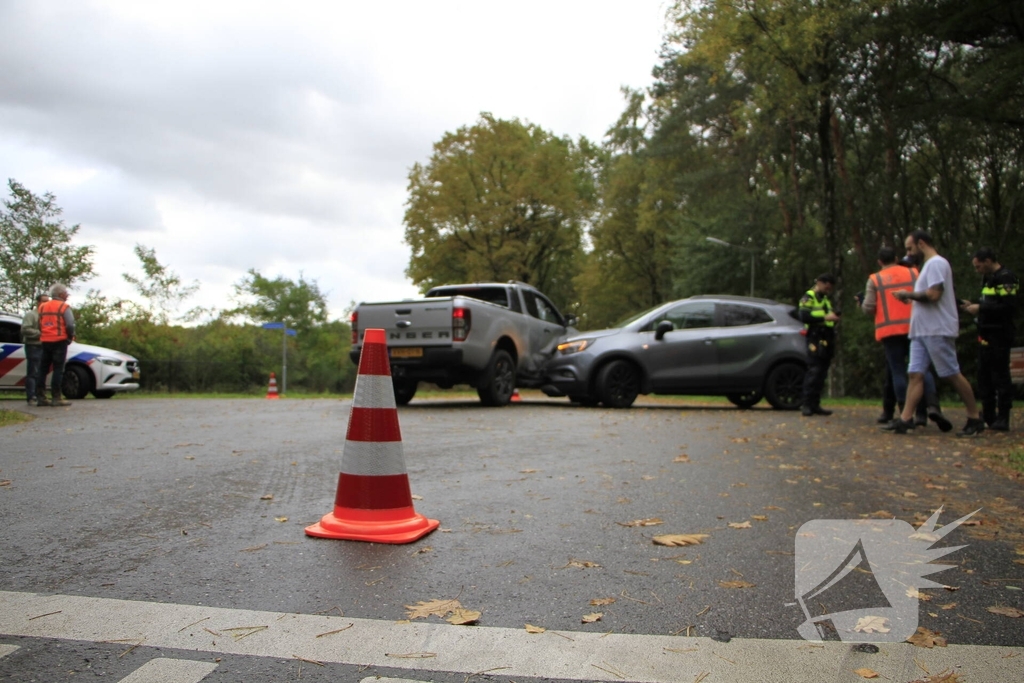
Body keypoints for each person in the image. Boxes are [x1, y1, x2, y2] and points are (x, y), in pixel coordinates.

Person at [890, 231, 984, 436]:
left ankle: (974, 417)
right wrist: (912, 297)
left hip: (936, 329)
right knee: (915, 373)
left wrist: (908, 294)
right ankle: (905, 419)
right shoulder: (927, 267)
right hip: (921, 331)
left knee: (951, 373)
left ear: (921, 244)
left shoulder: (936, 264)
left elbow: (934, 294)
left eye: (909, 248)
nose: (908, 253)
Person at [860, 247, 951, 431]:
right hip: (915, 327)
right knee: (922, 369)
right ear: (896, 258)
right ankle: (931, 408)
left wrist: (862, 304)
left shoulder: (875, 279)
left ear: (879, 262)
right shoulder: (913, 272)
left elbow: (868, 307)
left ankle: (904, 414)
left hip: (890, 331)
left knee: (899, 372)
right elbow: (926, 294)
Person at [960, 247, 1018, 431]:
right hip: (985, 333)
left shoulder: (1006, 277)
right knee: (984, 376)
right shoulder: (988, 278)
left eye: (978, 266)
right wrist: (973, 305)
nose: (977, 270)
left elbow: (1008, 307)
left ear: (987, 261)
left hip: (1000, 333)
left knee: (1000, 375)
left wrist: (981, 308)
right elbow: (989, 301)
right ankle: (989, 414)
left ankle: (1003, 416)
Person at [799, 273, 840, 417]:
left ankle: (815, 404)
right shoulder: (809, 296)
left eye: (830, 288)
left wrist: (833, 318)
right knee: (814, 370)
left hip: (826, 336)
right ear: (819, 283)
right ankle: (806, 404)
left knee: (822, 371)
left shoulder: (825, 299)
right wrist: (825, 317)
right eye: (826, 286)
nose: (828, 289)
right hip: (815, 336)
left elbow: (827, 318)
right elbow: (804, 316)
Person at [36, 283, 76, 407]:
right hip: (59, 341)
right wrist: (70, 336)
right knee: (58, 369)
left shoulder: (42, 307)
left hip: (45, 340)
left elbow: (39, 323)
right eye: (65, 293)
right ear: (61, 294)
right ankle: (56, 397)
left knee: (42, 369)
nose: (67, 295)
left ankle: (41, 397)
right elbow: (70, 324)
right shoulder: (64, 307)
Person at [20, 293, 50, 405]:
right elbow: (25, 329)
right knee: (33, 372)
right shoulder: (31, 315)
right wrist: (41, 333)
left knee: (42, 372)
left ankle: (41, 396)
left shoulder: (48, 316)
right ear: (38, 302)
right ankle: (31, 396)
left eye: (48, 302)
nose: (46, 304)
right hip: (33, 346)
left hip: (44, 346)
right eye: (44, 301)